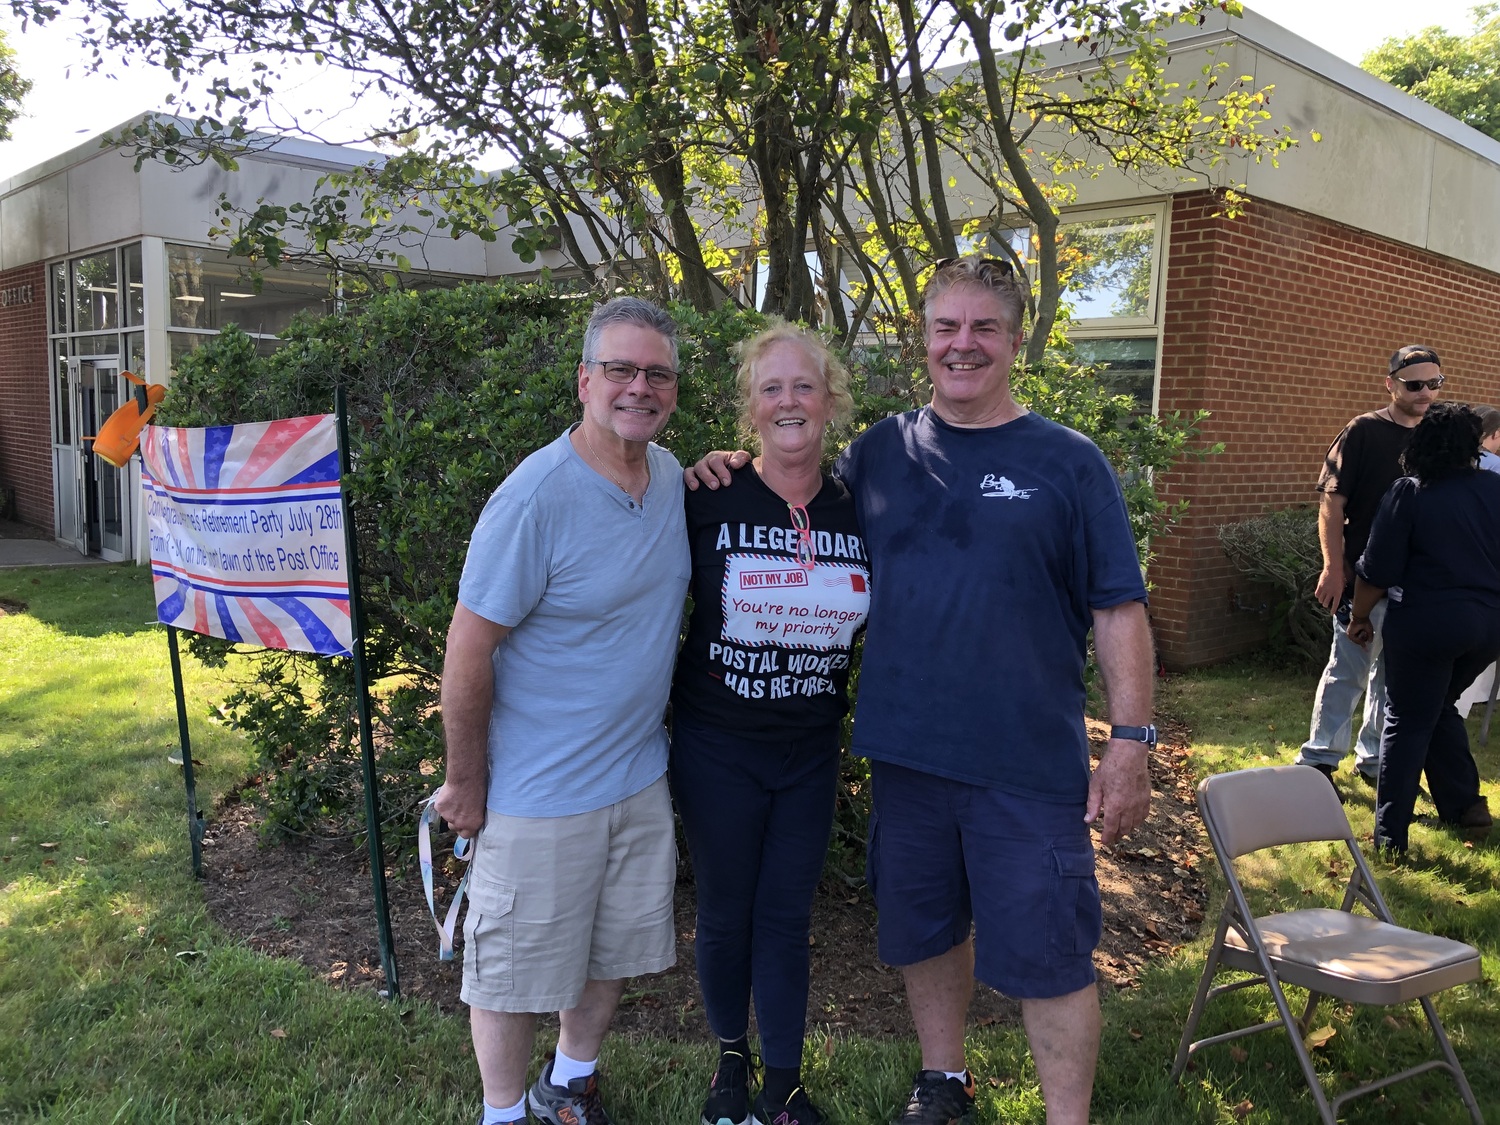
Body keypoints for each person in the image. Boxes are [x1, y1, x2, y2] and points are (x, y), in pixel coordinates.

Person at [689, 257, 1154, 1125]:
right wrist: (723, 465)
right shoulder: (880, 454)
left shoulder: (1068, 462)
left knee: (1051, 950)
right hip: (905, 755)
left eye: (983, 328)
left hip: (1026, 761)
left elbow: (1118, 606)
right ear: (923, 339)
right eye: (946, 327)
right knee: (924, 931)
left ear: (1017, 340)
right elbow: (795, 488)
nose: (963, 344)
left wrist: (1131, 741)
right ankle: (944, 1082)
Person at [434, 296, 689, 1125]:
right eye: (620, 368)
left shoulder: (675, 480)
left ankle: (567, 1087)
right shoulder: (534, 496)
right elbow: (468, 649)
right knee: (509, 974)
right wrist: (465, 783)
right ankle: (504, 1113)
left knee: (611, 951)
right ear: (585, 379)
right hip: (538, 792)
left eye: (656, 373)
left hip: (636, 777)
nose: (638, 386)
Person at [671, 322, 871, 1125]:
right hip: (717, 744)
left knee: (787, 916)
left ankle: (783, 1083)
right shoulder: (707, 495)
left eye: (804, 386)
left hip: (810, 749)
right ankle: (729, 1059)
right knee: (725, 909)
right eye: (771, 387)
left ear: (830, 401)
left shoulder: (863, 505)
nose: (789, 401)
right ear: (750, 408)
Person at [1349, 401, 1498, 853]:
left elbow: (1376, 570)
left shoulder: (1410, 492)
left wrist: (1358, 618)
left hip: (1428, 623)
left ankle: (1389, 837)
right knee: (1439, 705)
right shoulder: (1495, 488)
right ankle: (1465, 806)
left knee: (1408, 718)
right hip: (1489, 626)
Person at [1295, 345, 1443, 790]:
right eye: (1414, 385)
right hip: (1364, 577)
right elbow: (1331, 502)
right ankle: (1319, 760)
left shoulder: (1436, 434)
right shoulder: (1362, 431)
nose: (1425, 394)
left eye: (1434, 384)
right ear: (1390, 384)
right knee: (1347, 669)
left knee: (1392, 678)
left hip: (1418, 583)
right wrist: (1332, 568)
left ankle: (1375, 760)